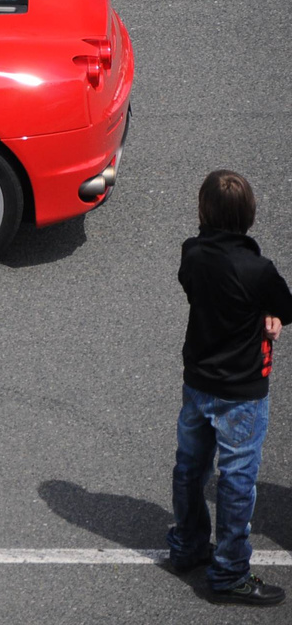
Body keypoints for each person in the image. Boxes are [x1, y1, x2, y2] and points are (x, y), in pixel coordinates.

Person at [167, 170, 292, 606]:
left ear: (203, 211)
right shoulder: (258, 269)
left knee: (190, 467)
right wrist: (267, 315)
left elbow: (200, 291)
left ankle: (186, 546)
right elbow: (286, 305)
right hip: (242, 391)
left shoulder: (191, 254)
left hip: (198, 381)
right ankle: (230, 573)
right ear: (250, 215)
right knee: (237, 481)